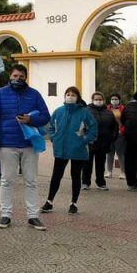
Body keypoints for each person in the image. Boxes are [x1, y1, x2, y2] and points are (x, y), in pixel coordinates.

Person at [0, 63, 51, 231]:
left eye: (21, 77)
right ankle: (5, 214)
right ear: (10, 76)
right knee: (7, 180)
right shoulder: (0, 94)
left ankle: (33, 216)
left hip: (29, 143)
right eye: (15, 76)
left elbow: (45, 116)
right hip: (7, 144)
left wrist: (30, 120)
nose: (18, 79)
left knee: (31, 180)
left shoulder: (34, 94)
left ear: (26, 77)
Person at [41, 87, 97, 215]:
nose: (70, 96)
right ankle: (49, 202)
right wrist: (54, 137)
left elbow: (93, 128)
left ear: (78, 97)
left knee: (76, 176)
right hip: (61, 149)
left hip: (78, 149)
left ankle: (73, 203)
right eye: (68, 94)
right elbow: (50, 126)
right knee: (56, 176)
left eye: (73, 95)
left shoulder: (84, 112)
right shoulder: (59, 111)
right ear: (64, 96)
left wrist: (84, 139)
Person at [84, 91, 118, 191]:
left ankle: (101, 183)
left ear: (103, 100)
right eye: (96, 99)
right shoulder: (86, 111)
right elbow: (81, 125)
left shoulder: (108, 112)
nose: (98, 101)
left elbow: (114, 127)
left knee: (100, 164)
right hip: (89, 143)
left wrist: (112, 138)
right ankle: (85, 183)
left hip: (103, 143)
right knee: (87, 164)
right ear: (92, 100)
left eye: (100, 99)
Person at [107, 93, 125, 179]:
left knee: (120, 153)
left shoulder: (123, 109)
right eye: (112, 99)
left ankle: (123, 172)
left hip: (119, 134)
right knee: (110, 153)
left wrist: (121, 131)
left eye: (116, 99)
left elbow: (125, 121)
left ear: (119, 100)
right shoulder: (106, 108)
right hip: (109, 134)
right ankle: (109, 171)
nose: (114, 101)